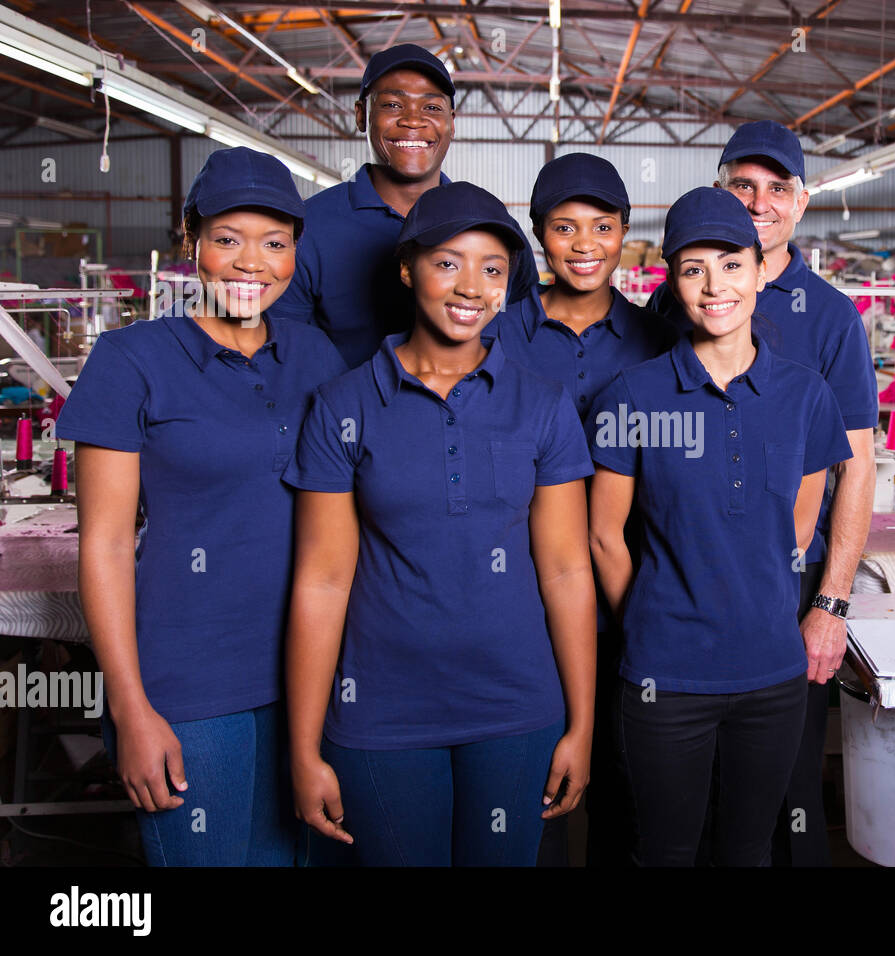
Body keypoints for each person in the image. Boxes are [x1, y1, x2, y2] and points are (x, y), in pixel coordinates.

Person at [283, 181, 596, 867]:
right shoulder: (344, 403)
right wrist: (303, 748)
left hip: (517, 708)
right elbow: (322, 582)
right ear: (407, 268)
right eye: (447, 262)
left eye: (492, 268)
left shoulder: (542, 406)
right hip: (381, 713)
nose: (471, 286)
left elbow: (569, 571)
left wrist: (582, 724)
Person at [58, 146, 347, 866]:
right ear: (191, 242)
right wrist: (130, 704)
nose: (252, 263)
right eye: (227, 239)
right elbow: (104, 544)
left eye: (274, 243)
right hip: (189, 682)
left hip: (321, 674)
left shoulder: (320, 358)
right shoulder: (131, 360)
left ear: (296, 252)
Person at [587, 187, 853, 866]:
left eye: (732, 264)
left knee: (748, 851)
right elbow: (604, 536)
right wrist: (649, 617)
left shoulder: (805, 396)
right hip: (663, 678)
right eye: (693, 268)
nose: (715, 286)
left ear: (762, 271)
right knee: (666, 852)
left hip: (771, 675)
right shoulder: (633, 396)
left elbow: (798, 526)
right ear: (672, 283)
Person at [646, 120, 878, 866]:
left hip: (785, 598)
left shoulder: (833, 317)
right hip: (680, 603)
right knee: (679, 804)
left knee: (786, 796)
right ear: (719, 190)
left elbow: (857, 467)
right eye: (743, 185)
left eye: (778, 188)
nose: (760, 202)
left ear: (802, 202)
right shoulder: (672, 306)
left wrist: (829, 603)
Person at [488, 151, 675, 867]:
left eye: (602, 226)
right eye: (565, 228)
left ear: (625, 231)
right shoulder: (498, 336)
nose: (586, 244)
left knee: (627, 794)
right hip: (525, 606)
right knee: (535, 792)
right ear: (539, 236)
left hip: (632, 603)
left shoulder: (656, 341)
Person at [269, 44, 538, 369]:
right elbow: (285, 358)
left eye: (432, 108)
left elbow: (525, 333)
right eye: (393, 104)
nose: (413, 120)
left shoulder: (494, 229)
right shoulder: (306, 228)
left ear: (452, 122)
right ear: (360, 115)